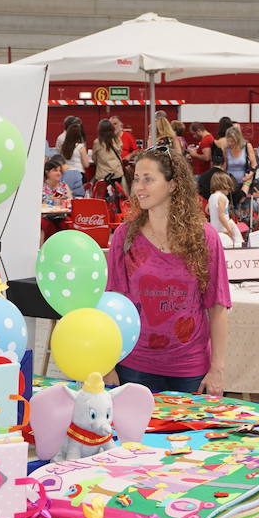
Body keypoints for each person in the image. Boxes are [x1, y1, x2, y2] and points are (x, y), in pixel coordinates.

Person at [105, 146, 231, 395]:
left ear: (173, 184)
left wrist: (217, 369)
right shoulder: (124, 236)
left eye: (148, 179)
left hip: (189, 367)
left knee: (189, 434)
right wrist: (107, 364)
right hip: (134, 364)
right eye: (137, 179)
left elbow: (217, 306)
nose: (138, 187)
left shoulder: (205, 238)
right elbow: (113, 305)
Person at [40, 160, 73, 243]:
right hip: (46, 217)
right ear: (47, 172)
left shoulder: (64, 186)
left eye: (59, 171)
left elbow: (70, 201)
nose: (59, 173)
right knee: (43, 224)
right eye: (55, 170)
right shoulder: (41, 187)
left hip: (62, 216)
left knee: (68, 224)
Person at [208, 172, 242, 248]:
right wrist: (229, 229)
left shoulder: (212, 196)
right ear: (225, 185)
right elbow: (221, 216)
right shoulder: (222, 198)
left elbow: (207, 210)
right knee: (237, 243)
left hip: (214, 228)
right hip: (223, 229)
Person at [59, 123, 89, 197]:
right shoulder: (81, 147)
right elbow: (86, 164)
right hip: (79, 175)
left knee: (66, 195)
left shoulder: (63, 147)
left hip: (66, 174)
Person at [91, 119, 124, 184]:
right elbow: (120, 153)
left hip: (103, 174)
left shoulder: (98, 142)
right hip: (117, 173)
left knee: (103, 193)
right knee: (116, 193)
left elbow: (94, 158)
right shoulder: (117, 140)